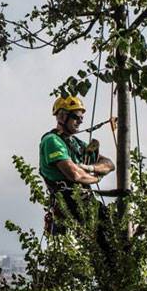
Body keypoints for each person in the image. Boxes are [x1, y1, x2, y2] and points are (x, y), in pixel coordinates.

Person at [39, 95, 115, 236]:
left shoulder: (77, 144)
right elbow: (75, 174)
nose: (80, 121)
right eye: (76, 117)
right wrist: (96, 178)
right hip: (68, 201)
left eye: (81, 117)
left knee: (113, 230)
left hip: (84, 199)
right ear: (62, 117)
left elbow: (109, 164)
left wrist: (90, 168)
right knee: (109, 238)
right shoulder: (52, 141)